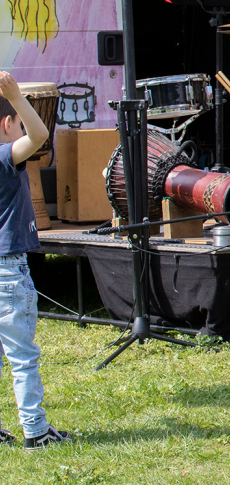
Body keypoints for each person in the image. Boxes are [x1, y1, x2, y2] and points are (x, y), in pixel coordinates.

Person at [0, 71, 69, 450]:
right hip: (7, 270)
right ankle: (36, 431)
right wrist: (16, 97)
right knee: (22, 358)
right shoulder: (2, 154)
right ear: (7, 123)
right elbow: (40, 137)